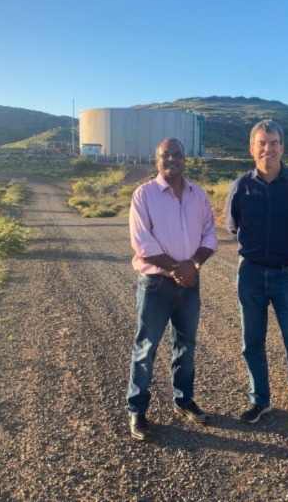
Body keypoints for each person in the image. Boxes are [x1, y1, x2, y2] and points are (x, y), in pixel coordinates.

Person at [226, 119, 288, 446]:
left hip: (287, 275)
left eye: (274, 142)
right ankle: (260, 401)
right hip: (250, 273)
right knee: (251, 342)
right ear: (252, 148)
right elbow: (232, 227)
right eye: (261, 143)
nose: (268, 149)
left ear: (283, 146)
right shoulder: (240, 186)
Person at [126, 137, 218, 441]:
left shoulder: (198, 195)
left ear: (185, 159)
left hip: (190, 286)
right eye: (166, 156)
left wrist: (193, 265)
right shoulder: (144, 195)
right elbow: (143, 244)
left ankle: (184, 400)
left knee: (186, 346)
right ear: (157, 160)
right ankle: (137, 411)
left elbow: (209, 235)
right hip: (156, 286)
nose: (172, 160)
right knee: (146, 347)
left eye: (177, 155)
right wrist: (180, 269)